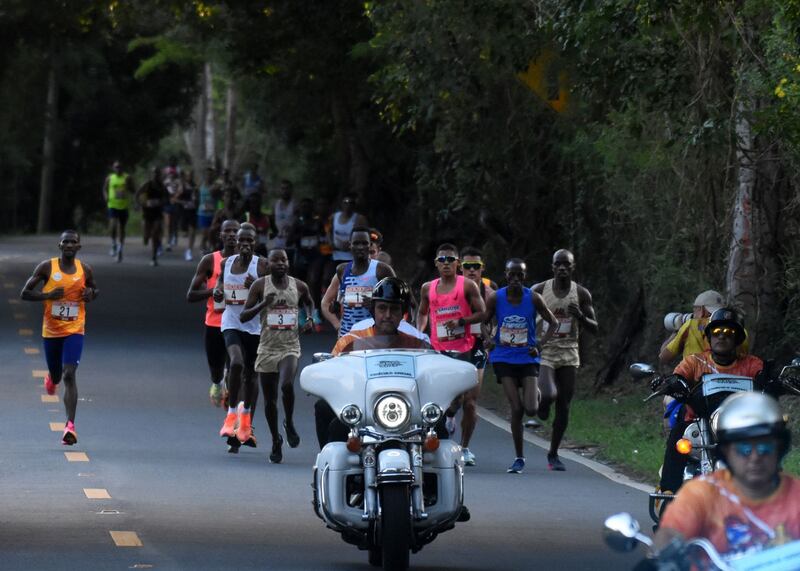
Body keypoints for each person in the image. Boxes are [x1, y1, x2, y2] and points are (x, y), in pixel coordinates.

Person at [655, 392, 800, 560]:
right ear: (726, 451)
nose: (754, 457)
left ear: (780, 449)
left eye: (764, 447)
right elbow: (667, 540)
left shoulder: (796, 497)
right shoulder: (697, 495)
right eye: (743, 448)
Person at [315, 278, 431, 447]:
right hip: (362, 408)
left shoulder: (419, 344)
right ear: (373, 310)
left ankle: (435, 472)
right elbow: (332, 371)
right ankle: (328, 464)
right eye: (382, 308)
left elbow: (430, 375)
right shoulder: (350, 341)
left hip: (407, 410)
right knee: (326, 412)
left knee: (438, 426)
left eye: (395, 309)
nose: (388, 315)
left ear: (403, 313)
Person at [658, 308, 763, 495]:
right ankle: (667, 492)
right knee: (678, 435)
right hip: (699, 421)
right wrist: (673, 382)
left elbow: (764, 377)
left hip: (741, 425)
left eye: (729, 332)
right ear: (709, 337)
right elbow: (678, 376)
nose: (722, 337)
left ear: (737, 338)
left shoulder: (751, 364)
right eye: (717, 332)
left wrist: (774, 381)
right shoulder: (694, 362)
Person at [20, 231, 99, 445]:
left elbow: (94, 288)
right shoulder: (47, 267)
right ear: (59, 245)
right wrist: (47, 295)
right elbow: (24, 293)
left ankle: (69, 427)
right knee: (56, 376)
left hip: (75, 329)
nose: (69, 245)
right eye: (66, 241)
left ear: (79, 247)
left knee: (69, 375)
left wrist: (91, 294)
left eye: (73, 242)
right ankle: (50, 379)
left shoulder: (85, 269)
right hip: (52, 331)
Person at [240, 249, 314, 463]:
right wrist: (264, 303)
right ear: (267, 264)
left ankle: (289, 422)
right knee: (270, 401)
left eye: (284, 259)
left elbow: (309, 301)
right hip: (266, 348)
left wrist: (309, 317)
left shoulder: (298, 285)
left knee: (286, 385)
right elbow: (244, 316)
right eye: (275, 260)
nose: (280, 263)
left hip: (290, 346)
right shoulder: (259, 286)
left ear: (288, 263)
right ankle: (275, 439)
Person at [484, 259, 557, 473]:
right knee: (516, 408)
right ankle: (519, 457)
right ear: (505, 275)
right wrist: (488, 338)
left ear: (525, 277)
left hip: (527, 357)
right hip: (503, 357)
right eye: (511, 275)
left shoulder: (533, 298)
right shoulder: (495, 298)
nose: (515, 279)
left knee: (531, 409)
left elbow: (553, 322)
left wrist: (540, 345)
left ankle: (537, 396)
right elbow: (485, 321)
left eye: (520, 275)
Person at [532, 249, 598, 471]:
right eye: (558, 264)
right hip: (546, 349)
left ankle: (553, 453)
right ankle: (542, 405)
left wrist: (580, 316)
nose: (562, 268)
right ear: (552, 267)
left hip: (569, 351)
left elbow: (595, 328)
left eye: (566, 265)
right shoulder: (540, 290)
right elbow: (524, 315)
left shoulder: (581, 293)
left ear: (573, 267)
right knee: (550, 393)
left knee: (564, 405)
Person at [416, 243, 486, 440]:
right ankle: (440, 427)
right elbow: (422, 313)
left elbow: (482, 313)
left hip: (463, 347)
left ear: (457, 263)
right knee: (440, 394)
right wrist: (420, 333)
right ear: (436, 264)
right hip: (437, 348)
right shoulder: (427, 288)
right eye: (441, 260)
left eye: (450, 260)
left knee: (461, 396)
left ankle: (451, 416)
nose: (446, 264)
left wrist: (462, 321)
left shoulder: (467, 285)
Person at [212, 226, 269, 448]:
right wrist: (218, 291)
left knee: (251, 375)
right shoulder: (227, 263)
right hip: (231, 322)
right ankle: (231, 413)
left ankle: (245, 421)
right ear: (236, 242)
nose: (245, 244)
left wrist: (256, 288)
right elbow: (219, 287)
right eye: (241, 240)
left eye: (249, 240)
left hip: (254, 326)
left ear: (255, 243)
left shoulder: (262, 265)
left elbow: (273, 295)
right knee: (235, 363)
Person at [449, 245, 496, 465]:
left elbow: (496, 319)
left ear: (482, 268)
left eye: (475, 266)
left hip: (477, 345)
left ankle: (465, 448)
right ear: (460, 267)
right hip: (454, 344)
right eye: (467, 266)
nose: (471, 270)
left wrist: (492, 336)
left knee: (470, 401)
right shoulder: (450, 288)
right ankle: (449, 417)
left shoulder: (490, 292)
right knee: (454, 400)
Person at [186, 219, 240, 407]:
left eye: (236, 231)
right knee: (216, 369)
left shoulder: (250, 262)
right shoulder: (210, 260)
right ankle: (218, 382)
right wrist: (212, 292)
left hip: (240, 323)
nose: (232, 234)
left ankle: (233, 408)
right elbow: (190, 295)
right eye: (228, 231)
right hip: (215, 323)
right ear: (221, 235)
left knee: (236, 364)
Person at [320, 226, 395, 337]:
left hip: (374, 337)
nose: (360, 247)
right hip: (347, 336)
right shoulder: (342, 271)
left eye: (364, 243)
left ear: (369, 246)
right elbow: (325, 303)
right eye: (356, 243)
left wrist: (377, 304)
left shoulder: (382, 270)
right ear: (350, 245)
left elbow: (400, 301)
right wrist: (337, 324)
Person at [135, 167, 168, 266]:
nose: (155, 175)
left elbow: (167, 197)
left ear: (159, 175)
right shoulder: (147, 184)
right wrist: (140, 204)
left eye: (157, 173)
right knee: (147, 235)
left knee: (155, 234)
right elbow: (137, 194)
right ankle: (146, 237)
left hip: (157, 213)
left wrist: (161, 202)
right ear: (152, 174)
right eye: (154, 173)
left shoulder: (162, 186)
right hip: (147, 212)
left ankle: (154, 257)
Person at [102, 160, 134, 262]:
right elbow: (104, 189)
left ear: (122, 168)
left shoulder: (127, 177)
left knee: (122, 228)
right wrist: (106, 196)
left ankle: (120, 250)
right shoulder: (110, 178)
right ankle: (113, 244)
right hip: (112, 205)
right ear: (113, 168)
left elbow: (133, 189)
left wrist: (129, 188)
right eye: (116, 167)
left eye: (119, 167)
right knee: (113, 226)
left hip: (123, 206)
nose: (118, 168)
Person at [330, 194, 368, 263]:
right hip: (336, 255)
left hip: (353, 257)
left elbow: (366, 237)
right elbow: (328, 231)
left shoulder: (360, 219)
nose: (348, 205)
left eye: (351, 203)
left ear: (354, 205)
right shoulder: (334, 217)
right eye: (345, 202)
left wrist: (352, 245)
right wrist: (331, 243)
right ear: (341, 204)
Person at [197, 167, 218, 254]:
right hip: (202, 213)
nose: (208, 176)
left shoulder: (216, 186)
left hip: (213, 213)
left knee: (212, 234)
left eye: (210, 174)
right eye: (207, 174)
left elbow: (218, 198)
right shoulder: (201, 185)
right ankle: (203, 250)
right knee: (205, 234)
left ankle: (211, 250)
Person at [178, 169, 198, 261]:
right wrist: (184, 202)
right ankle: (185, 248)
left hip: (193, 211)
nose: (189, 177)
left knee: (192, 231)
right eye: (188, 175)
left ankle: (189, 250)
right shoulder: (182, 186)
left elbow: (197, 198)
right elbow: (174, 199)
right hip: (184, 212)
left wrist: (196, 201)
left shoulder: (195, 186)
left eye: (191, 175)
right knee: (184, 233)